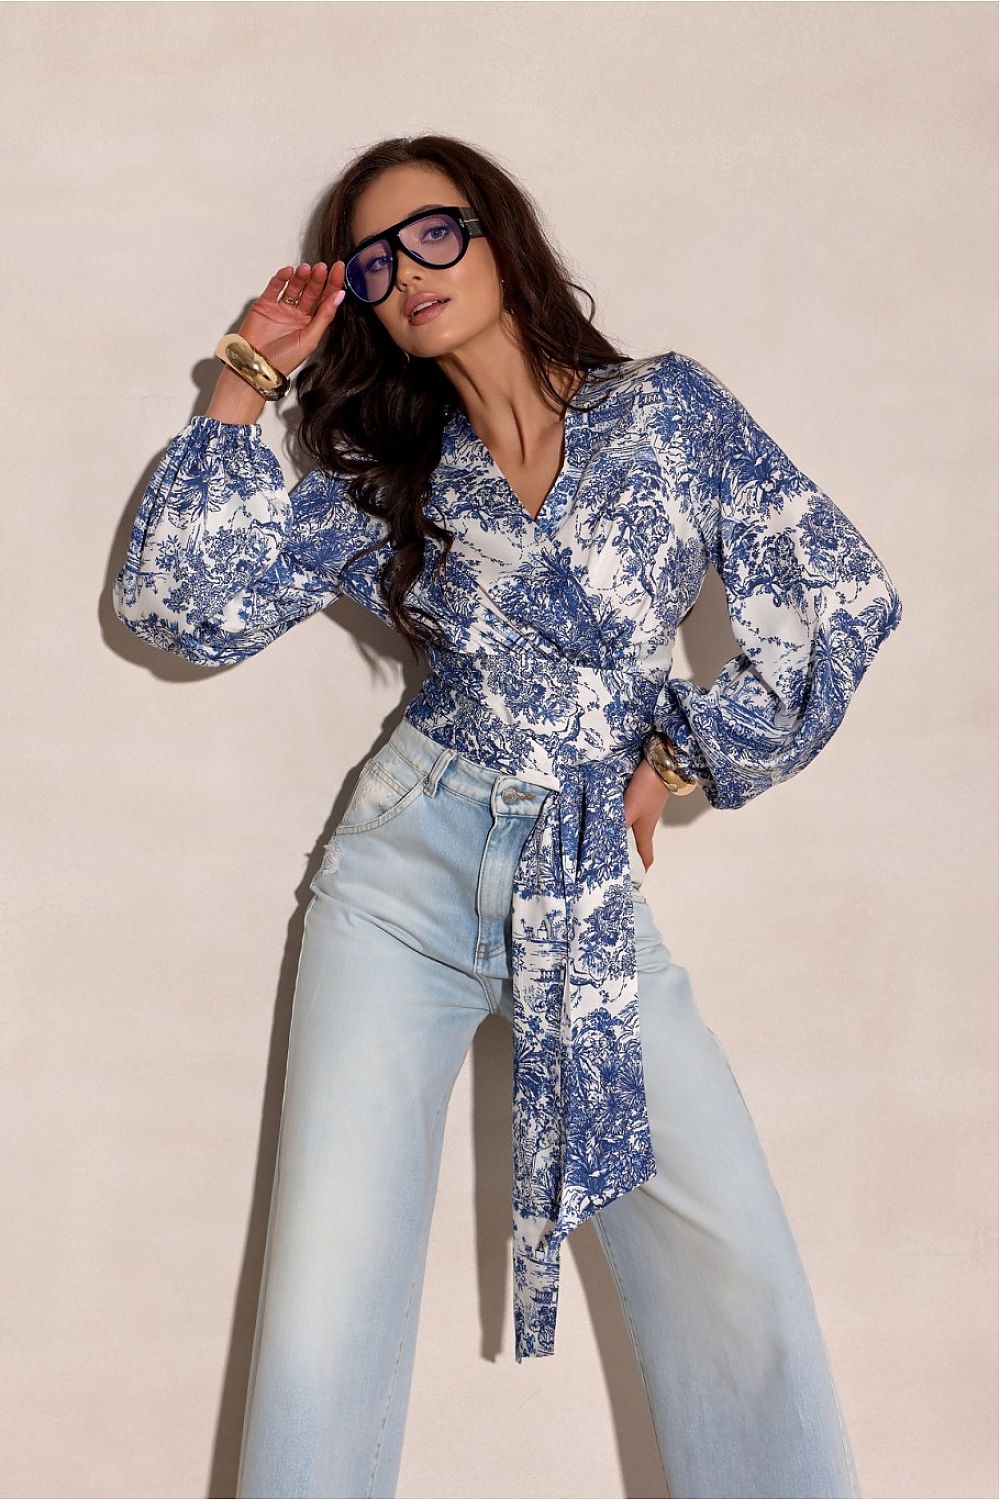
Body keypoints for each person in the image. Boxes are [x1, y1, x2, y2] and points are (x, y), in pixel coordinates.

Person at [112, 134, 902, 1499]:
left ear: (498, 234)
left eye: (434, 232)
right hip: (400, 878)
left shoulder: (667, 413)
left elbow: (841, 599)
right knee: (319, 1319)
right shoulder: (384, 475)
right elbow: (177, 607)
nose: (406, 270)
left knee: (740, 1290)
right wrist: (247, 376)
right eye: (373, 260)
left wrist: (677, 751)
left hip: (587, 891)